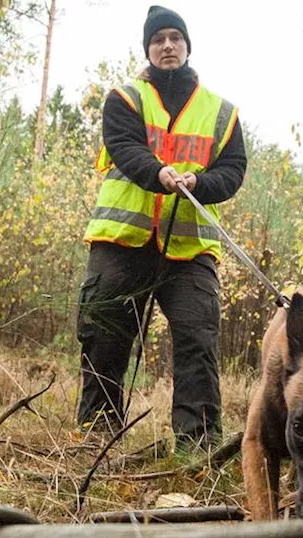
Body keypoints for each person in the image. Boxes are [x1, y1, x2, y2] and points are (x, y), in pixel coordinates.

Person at [77, 5, 246, 451]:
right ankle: (96, 438)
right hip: (121, 242)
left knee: (197, 341)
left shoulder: (222, 112)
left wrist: (199, 182)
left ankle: (200, 447)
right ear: (148, 49)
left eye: (175, 37)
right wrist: (158, 173)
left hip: (190, 251)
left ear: (187, 46)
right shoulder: (124, 98)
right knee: (104, 338)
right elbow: (125, 148)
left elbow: (233, 170)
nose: (167, 45)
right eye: (158, 40)